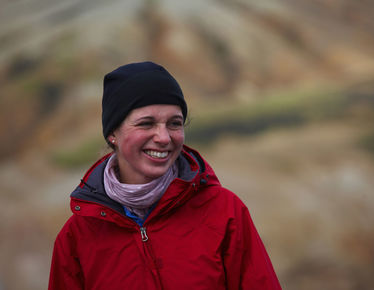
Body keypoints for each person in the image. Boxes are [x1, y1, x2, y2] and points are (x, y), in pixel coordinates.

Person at [48, 61, 282, 289]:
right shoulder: (76, 238)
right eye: (146, 123)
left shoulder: (225, 212)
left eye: (174, 123)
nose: (163, 137)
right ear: (112, 134)